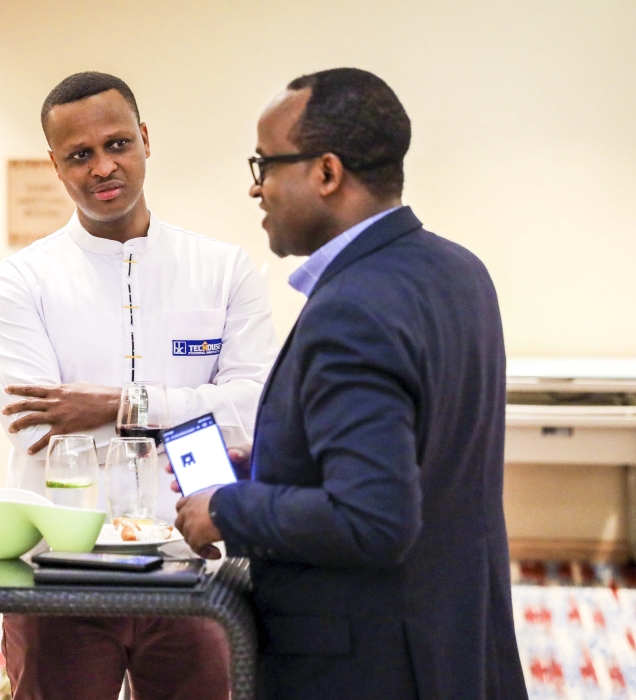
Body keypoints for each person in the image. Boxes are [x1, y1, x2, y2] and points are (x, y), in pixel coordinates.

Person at [173, 68, 527, 699]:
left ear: (327, 173)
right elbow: (428, 453)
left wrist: (226, 507)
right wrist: (279, 462)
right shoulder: (458, 271)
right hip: (456, 644)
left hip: (366, 665)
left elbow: (374, 517)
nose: (256, 190)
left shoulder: (353, 307)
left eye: (265, 165)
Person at [0, 72, 277, 700]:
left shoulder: (223, 270)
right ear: (56, 166)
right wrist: (193, 408)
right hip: (59, 573)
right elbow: (36, 427)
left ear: (145, 139)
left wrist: (113, 404)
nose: (102, 167)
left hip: (193, 560)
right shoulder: (19, 283)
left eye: (117, 144)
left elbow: (254, 411)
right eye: (79, 155)